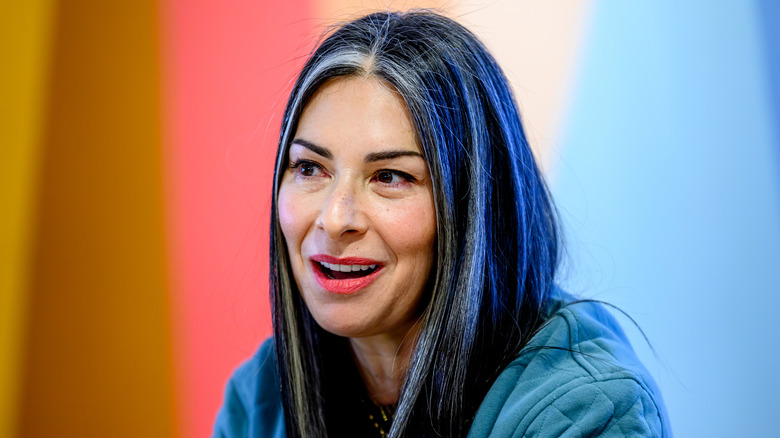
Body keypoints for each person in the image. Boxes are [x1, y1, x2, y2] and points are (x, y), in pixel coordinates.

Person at [214, 10, 671, 438]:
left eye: (390, 177)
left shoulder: (587, 410)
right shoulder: (258, 401)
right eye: (310, 168)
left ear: (475, 207)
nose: (335, 219)